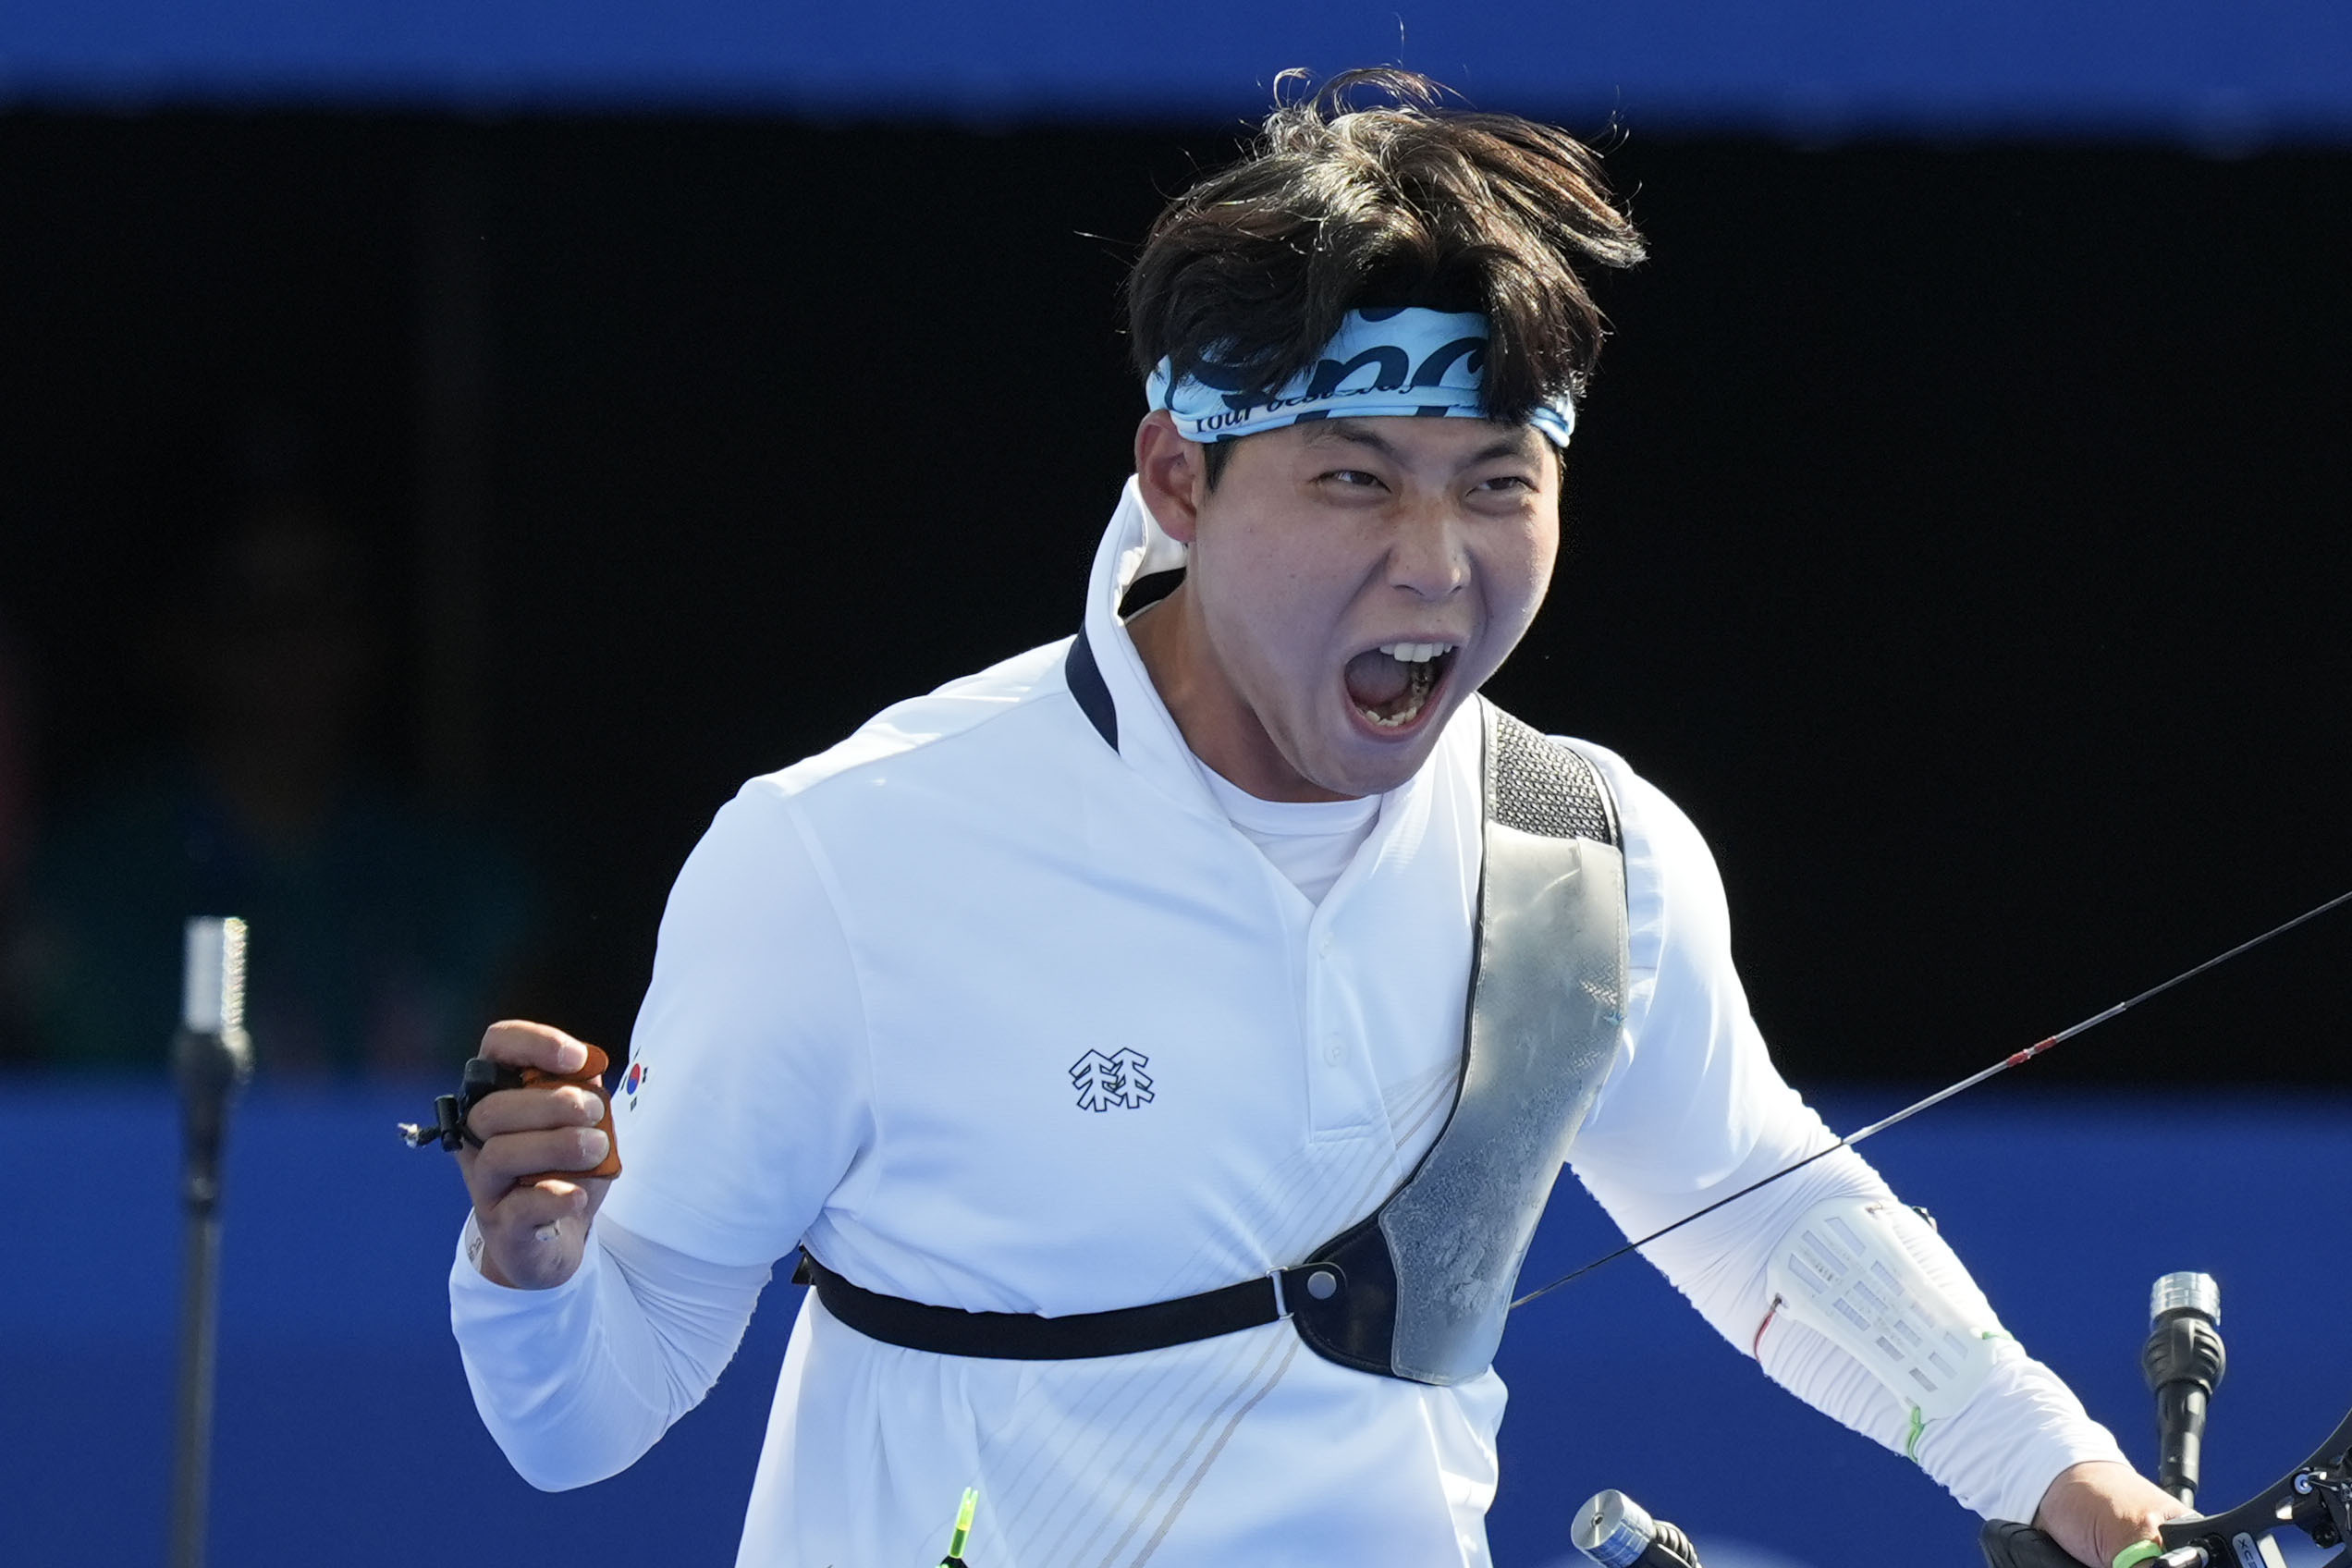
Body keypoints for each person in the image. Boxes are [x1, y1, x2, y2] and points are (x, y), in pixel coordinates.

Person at [447, 70, 2181, 1567]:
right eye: (1354, 477)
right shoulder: (845, 855)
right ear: (1179, 479)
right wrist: (530, 1273)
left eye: (1501, 481)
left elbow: (1747, 1201)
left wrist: (2063, 1475)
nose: (1434, 565)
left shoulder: (1585, 858)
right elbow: (585, 1414)